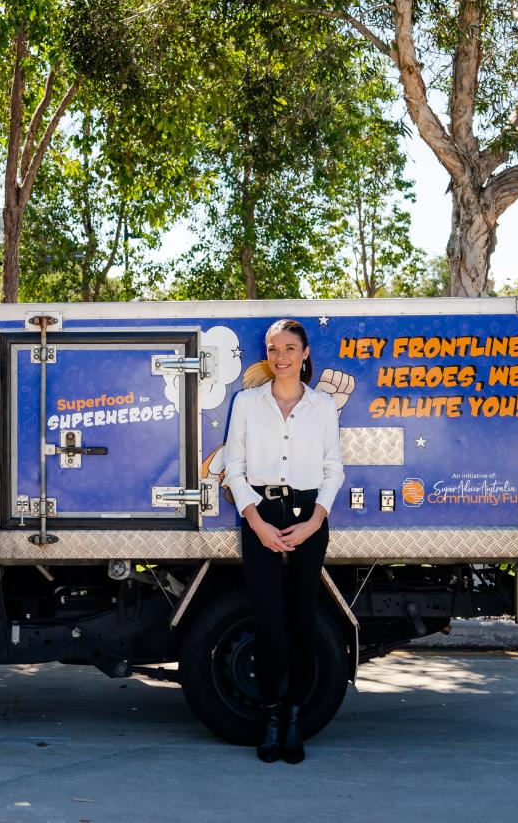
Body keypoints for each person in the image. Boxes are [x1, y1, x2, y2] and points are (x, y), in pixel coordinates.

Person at [222, 318, 343, 764]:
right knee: (270, 625)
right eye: (274, 349)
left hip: (309, 518)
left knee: (303, 621)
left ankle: (295, 721)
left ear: (305, 353)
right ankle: (271, 721)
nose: (282, 357)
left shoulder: (323, 407)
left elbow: (334, 469)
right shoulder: (247, 403)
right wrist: (255, 520)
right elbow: (234, 467)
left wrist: (316, 520)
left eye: (290, 348)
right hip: (262, 517)